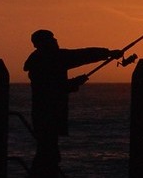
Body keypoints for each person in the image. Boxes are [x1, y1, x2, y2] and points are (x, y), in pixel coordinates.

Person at [23, 29, 123, 177]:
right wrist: (107, 53)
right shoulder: (51, 58)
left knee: (46, 152)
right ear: (44, 43)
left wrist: (107, 54)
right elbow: (80, 57)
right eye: (52, 39)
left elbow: (79, 57)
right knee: (48, 155)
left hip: (42, 115)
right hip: (48, 115)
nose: (55, 41)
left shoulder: (39, 61)